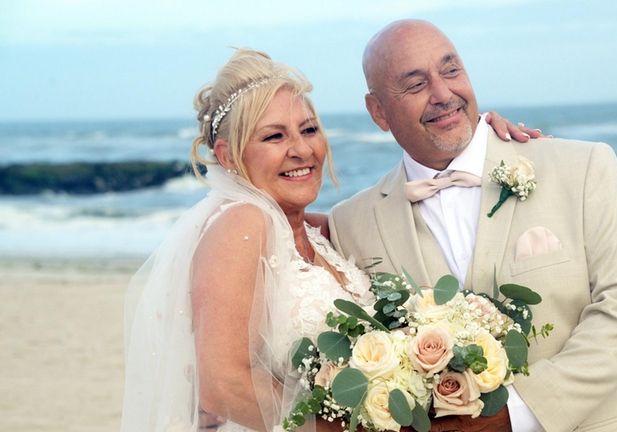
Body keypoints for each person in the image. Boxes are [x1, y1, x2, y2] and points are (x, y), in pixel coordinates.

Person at [120, 48, 537, 432]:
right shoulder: (242, 223)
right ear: (229, 157)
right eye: (274, 136)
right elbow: (222, 384)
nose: (302, 150)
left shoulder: (320, 232)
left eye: (308, 129)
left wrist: (486, 143)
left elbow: (405, 211)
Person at [328, 20, 617, 432]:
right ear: (378, 111)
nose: (443, 94)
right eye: (416, 85)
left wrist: (515, 415)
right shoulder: (350, 223)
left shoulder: (581, 168)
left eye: (451, 71)